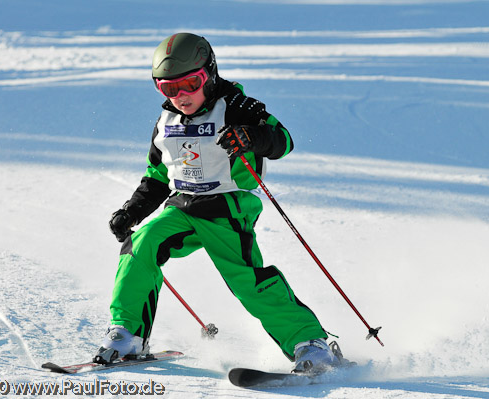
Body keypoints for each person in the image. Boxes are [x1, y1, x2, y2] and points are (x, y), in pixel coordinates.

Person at [94, 32, 348, 373]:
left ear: (210, 74)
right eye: (169, 88)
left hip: (228, 208)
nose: (181, 96)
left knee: (246, 280)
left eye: (191, 84)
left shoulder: (238, 108)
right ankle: (128, 334)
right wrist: (131, 212)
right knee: (139, 244)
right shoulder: (166, 124)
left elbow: (283, 142)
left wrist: (251, 136)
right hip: (183, 206)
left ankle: (311, 343)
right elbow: (156, 177)